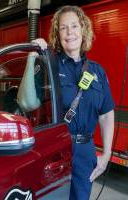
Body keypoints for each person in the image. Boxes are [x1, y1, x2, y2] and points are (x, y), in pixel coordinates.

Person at [32, 5, 114, 200]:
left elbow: (106, 114)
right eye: (63, 28)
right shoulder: (47, 65)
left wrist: (107, 154)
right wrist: (33, 59)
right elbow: (27, 102)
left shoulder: (97, 71)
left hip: (85, 150)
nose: (70, 32)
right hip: (55, 150)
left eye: (74, 26)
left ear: (83, 29)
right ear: (57, 33)